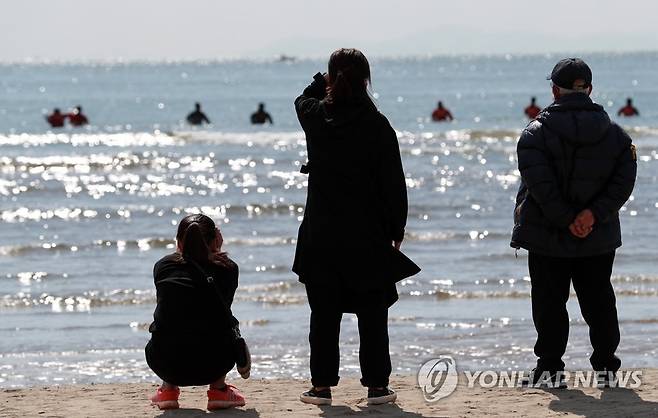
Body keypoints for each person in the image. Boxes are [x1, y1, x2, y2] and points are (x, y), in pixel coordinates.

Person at [294, 48, 419, 406]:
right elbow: (394, 183)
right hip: (368, 234)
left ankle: (321, 387)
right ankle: (377, 387)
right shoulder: (377, 124)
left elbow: (302, 98)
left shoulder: (316, 116)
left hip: (321, 234)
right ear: (367, 79)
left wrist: (322, 81)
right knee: (372, 315)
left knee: (323, 315)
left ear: (334, 79)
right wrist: (397, 229)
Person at [511, 58, 637, 387]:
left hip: (547, 233)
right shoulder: (616, 135)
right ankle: (607, 368)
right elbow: (623, 182)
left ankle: (551, 369)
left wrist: (568, 219)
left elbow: (539, 186)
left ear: (554, 90)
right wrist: (592, 216)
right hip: (598, 232)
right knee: (599, 300)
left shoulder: (534, 133)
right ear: (590, 89)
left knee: (550, 302)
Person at [145, 214, 248, 410]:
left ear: (179, 241)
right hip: (215, 363)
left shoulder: (163, 266)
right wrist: (215, 250)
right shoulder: (229, 268)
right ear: (215, 240)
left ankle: (168, 390)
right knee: (217, 323)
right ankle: (218, 391)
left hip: (164, 362)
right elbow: (221, 309)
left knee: (173, 320)